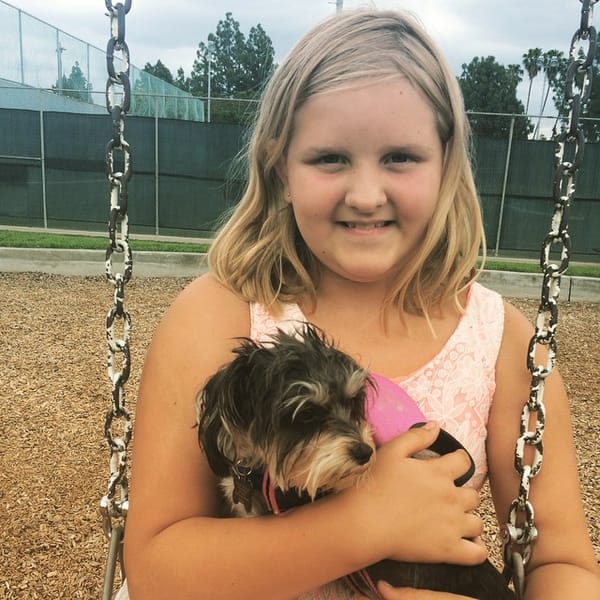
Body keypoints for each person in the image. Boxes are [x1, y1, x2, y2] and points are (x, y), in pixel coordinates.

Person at [119, 8, 600, 600]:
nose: (366, 195)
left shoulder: (502, 347)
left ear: (447, 163)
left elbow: (564, 566)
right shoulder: (217, 317)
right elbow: (156, 573)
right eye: (330, 158)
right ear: (279, 164)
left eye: (400, 156)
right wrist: (364, 523)